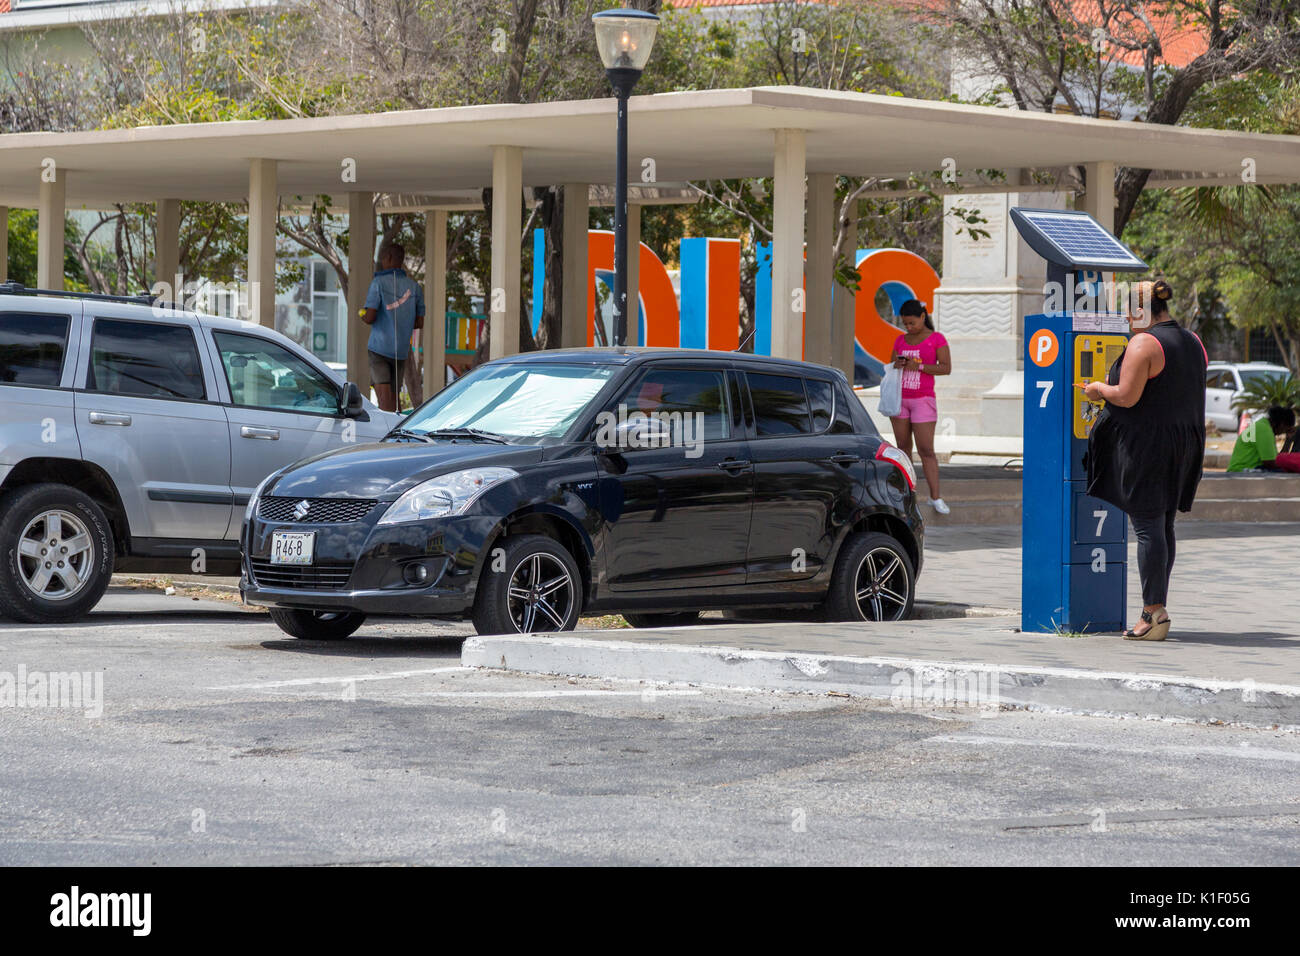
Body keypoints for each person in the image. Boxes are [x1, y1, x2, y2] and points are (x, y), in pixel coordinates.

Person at [1081, 279, 1207, 641]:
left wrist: (1097, 389)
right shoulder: (1193, 341)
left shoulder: (1143, 342)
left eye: (1126, 308)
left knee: (1147, 527)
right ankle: (1158, 608)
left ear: (1140, 309)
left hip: (1148, 447)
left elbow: (1126, 396)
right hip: (1184, 444)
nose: (1123, 315)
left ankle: (1152, 613)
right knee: (1163, 525)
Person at [889, 299, 952, 514]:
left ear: (923, 317)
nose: (908, 327)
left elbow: (946, 368)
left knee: (926, 449)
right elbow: (890, 366)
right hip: (900, 400)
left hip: (923, 400)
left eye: (912, 323)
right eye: (905, 324)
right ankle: (905, 494)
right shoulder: (900, 340)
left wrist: (920, 366)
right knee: (902, 448)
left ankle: (936, 497)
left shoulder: (936, 339)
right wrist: (897, 365)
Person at [362, 242, 424, 413]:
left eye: (382, 257)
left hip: (379, 349)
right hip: (401, 350)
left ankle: (386, 433)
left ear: (388, 258)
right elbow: (419, 323)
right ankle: (396, 432)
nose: (381, 260)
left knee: (384, 398)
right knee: (395, 399)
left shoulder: (378, 283)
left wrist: (362, 314)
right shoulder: (415, 287)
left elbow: (370, 317)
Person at [1228, 405, 1300, 473]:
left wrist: (1288, 439)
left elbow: (1278, 459)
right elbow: (1270, 463)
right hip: (1242, 470)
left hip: (1244, 469)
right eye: (1285, 429)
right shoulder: (1264, 430)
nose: (1283, 432)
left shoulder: (1263, 425)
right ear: (1282, 424)